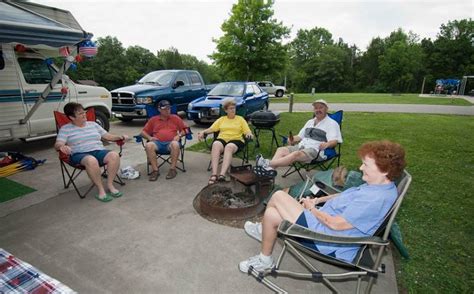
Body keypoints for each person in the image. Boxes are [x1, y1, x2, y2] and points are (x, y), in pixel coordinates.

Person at [239, 140, 406, 272]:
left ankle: (263, 232)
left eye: (366, 165)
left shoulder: (375, 199)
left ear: (384, 170)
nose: (361, 168)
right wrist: (318, 201)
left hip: (328, 240)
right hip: (323, 223)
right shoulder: (379, 184)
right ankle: (265, 259)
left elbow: (335, 224)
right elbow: (345, 195)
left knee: (278, 196)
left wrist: (311, 209)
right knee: (272, 215)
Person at [54, 102, 128, 202]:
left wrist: (120, 137)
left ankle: (110, 185)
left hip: (98, 150)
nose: (84, 114)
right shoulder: (65, 129)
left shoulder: (93, 124)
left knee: (114, 155)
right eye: (80, 113)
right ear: (72, 117)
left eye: (84, 112)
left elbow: (108, 136)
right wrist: (62, 146)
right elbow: (58, 143)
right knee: (91, 160)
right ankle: (101, 190)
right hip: (79, 154)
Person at [254, 99, 342, 177]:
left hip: (315, 150)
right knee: (281, 149)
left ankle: (267, 163)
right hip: (301, 146)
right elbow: (299, 137)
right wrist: (291, 139)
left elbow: (334, 141)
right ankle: (270, 170)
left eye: (321, 107)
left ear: (326, 109)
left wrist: (327, 144)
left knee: (295, 154)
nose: (318, 110)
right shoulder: (310, 122)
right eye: (316, 108)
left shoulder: (332, 123)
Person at [197, 98, 253, 184]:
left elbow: (247, 131)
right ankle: (214, 174)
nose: (233, 110)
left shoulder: (240, 119)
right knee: (215, 144)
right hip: (223, 139)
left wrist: (249, 134)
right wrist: (203, 132)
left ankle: (222, 175)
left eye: (234, 108)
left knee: (229, 147)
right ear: (226, 110)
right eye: (230, 108)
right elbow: (212, 128)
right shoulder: (221, 119)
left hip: (236, 140)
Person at [141, 100, 187, 181]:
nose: (167, 110)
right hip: (157, 143)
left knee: (175, 144)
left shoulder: (175, 118)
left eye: (169, 108)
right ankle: (155, 171)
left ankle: (172, 169)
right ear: (159, 109)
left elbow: (186, 130)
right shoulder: (153, 120)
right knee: (149, 145)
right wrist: (150, 138)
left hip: (171, 143)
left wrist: (179, 135)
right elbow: (143, 132)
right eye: (165, 109)